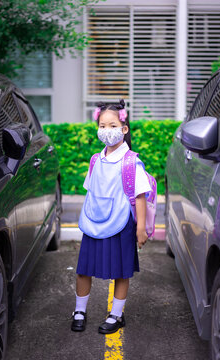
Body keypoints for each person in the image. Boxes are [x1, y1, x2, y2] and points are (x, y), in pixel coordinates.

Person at [71, 99, 151, 334]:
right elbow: (91, 190)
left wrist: (141, 228)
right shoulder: (96, 159)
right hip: (95, 222)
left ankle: (116, 315)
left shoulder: (131, 161)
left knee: (120, 271)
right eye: (102, 126)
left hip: (120, 223)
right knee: (83, 269)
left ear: (124, 129)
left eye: (112, 126)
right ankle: (79, 311)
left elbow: (140, 197)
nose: (107, 131)